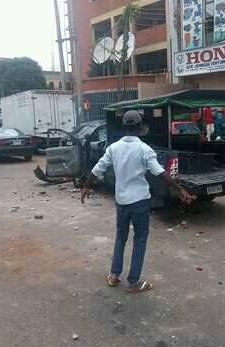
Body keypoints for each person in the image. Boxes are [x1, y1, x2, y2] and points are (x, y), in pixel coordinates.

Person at [81, 110, 195, 293]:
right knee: (140, 240)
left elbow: (97, 168)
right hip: (140, 202)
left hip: (122, 202)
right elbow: (160, 173)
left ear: (124, 127)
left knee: (121, 237)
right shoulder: (144, 149)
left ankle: (114, 276)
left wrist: (86, 186)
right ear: (141, 128)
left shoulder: (113, 148)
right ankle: (133, 282)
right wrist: (180, 189)